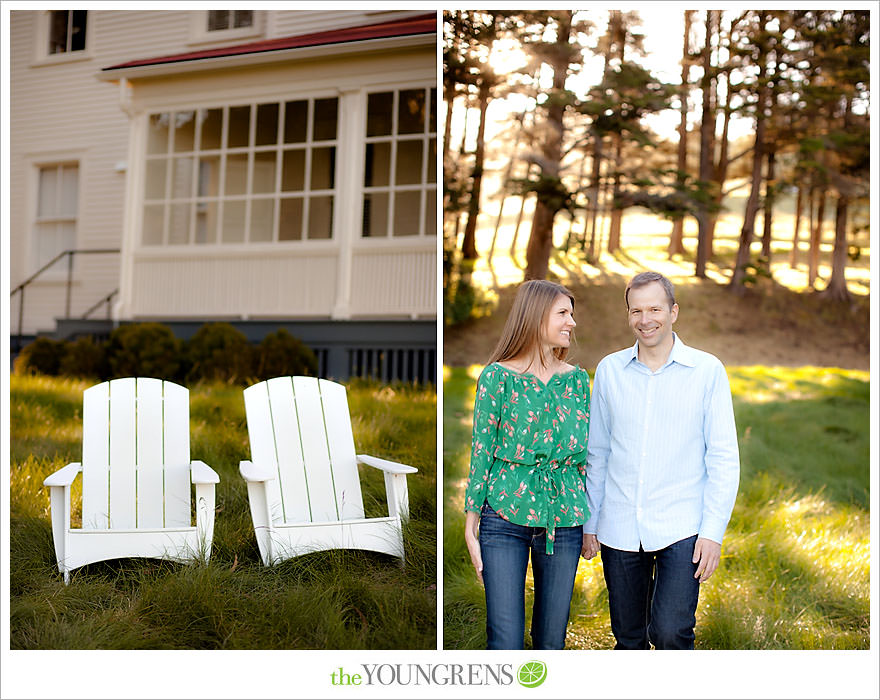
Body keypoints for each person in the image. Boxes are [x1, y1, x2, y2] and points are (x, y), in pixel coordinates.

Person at [581, 271, 739, 650]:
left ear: (673, 311)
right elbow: (597, 453)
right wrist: (590, 521)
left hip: (682, 525)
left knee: (670, 632)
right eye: (636, 311)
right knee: (629, 637)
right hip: (619, 525)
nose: (645, 319)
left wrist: (713, 531)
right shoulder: (609, 371)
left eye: (655, 308)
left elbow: (723, 457)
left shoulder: (707, 371)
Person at [463, 279, 591, 650]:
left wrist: (590, 520)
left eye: (572, 313)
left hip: (564, 518)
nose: (572, 322)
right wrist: (472, 524)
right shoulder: (497, 378)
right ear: (536, 317)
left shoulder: (578, 382)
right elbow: (481, 450)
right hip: (503, 517)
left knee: (551, 642)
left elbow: (586, 458)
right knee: (505, 641)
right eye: (563, 313)